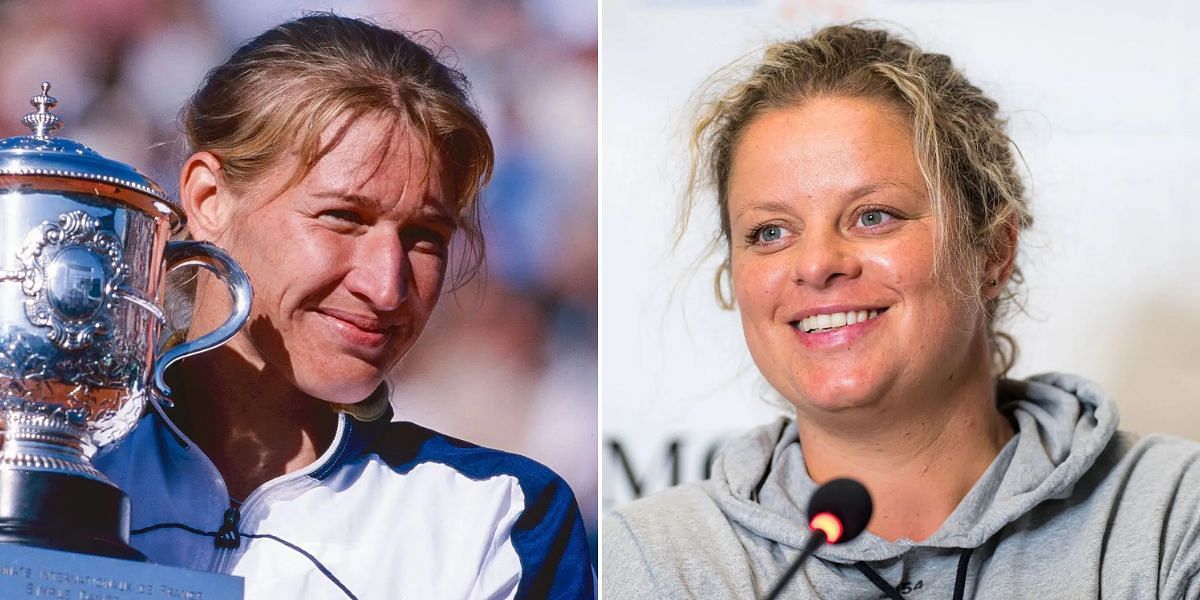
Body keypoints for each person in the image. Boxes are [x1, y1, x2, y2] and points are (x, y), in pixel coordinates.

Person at [602, 24, 1200, 598]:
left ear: (992, 249)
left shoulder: (1173, 518)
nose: (816, 265)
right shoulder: (645, 561)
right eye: (770, 232)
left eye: (873, 216)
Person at [95, 13, 593, 599]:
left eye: (424, 237)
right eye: (343, 218)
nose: (387, 287)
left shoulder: (498, 517)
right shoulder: (57, 458)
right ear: (208, 198)